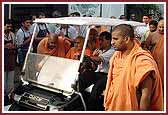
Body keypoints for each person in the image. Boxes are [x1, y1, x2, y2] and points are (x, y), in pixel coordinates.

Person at [104, 24, 163, 111]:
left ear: (127, 39)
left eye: (115, 39)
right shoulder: (116, 56)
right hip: (114, 105)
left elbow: (146, 94)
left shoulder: (142, 60)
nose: (112, 42)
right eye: (112, 39)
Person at [79, 31, 115, 110]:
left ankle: (90, 108)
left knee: (97, 86)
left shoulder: (112, 52)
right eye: (100, 40)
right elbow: (95, 63)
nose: (100, 42)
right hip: (98, 73)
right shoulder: (99, 50)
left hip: (108, 75)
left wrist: (86, 57)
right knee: (82, 77)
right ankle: (77, 99)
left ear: (108, 41)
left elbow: (99, 59)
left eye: (102, 40)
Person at [143, 20, 164, 86]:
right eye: (160, 27)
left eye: (163, 27)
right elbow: (145, 47)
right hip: (154, 60)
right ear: (157, 27)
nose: (161, 29)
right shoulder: (152, 35)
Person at [4, 19, 17, 105]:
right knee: (3, 79)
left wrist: (12, 46)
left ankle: (10, 94)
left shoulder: (12, 35)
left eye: (10, 27)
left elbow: (16, 45)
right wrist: (5, 46)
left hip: (11, 60)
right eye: (7, 26)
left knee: (10, 80)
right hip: (3, 60)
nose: (9, 28)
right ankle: (3, 96)